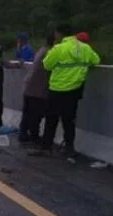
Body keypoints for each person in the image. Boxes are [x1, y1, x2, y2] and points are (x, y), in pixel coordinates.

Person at [32, 24, 100, 158]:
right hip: (75, 90)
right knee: (69, 121)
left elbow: (46, 64)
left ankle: (46, 148)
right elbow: (96, 60)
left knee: (51, 120)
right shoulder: (85, 48)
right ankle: (69, 148)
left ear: (59, 34)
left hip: (57, 89)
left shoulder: (59, 48)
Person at [18, 33, 54, 143]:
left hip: (29, 85)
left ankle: (23, 135)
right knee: (36, 114)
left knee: (27, 113)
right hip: (38, 88)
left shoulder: (41, 50)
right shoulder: (50, 52)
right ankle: (34, 137)